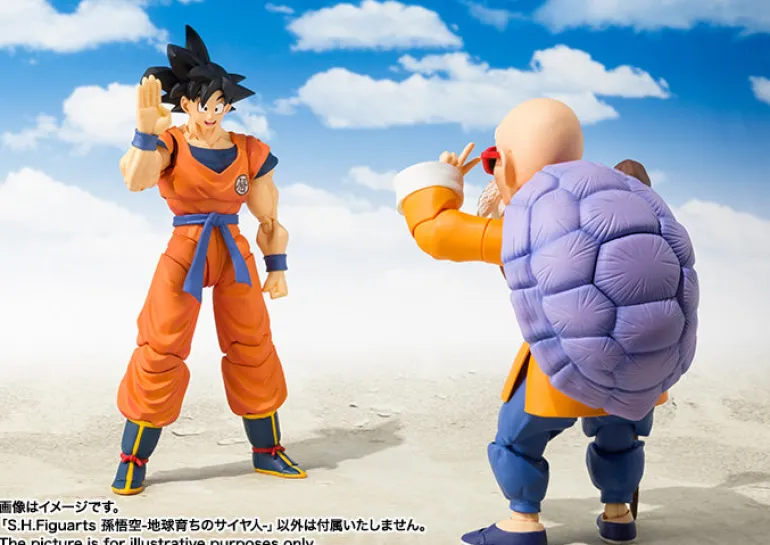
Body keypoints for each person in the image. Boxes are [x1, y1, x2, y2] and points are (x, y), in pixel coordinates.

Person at [392, 98, 698, 545]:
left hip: (563, 365)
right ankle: (618, 514)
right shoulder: (630, 200)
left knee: (516, 441)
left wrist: (443, 180)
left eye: (493, 161)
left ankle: (522, 524)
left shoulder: (528, 224)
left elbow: (435, 232)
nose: (492, 170)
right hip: (640, 367)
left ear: (509, 163)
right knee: (620, 436)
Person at [111, 25, 306, 496]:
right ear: (187, 104)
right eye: (205, 105)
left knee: (253, 343)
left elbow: (269, 217)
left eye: (222, 105)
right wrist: (144, 133)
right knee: (160, 345)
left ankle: (267, 450)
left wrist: (277, 268)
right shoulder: (170, 142)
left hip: (234, 250)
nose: (214, 114)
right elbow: (136, 180)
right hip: (186, 248)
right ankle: (133, 457)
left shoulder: (248, 150)